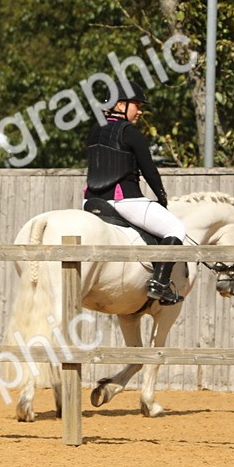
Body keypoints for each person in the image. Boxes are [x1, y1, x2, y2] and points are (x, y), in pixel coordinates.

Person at [84, 80, 185, 305]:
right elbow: (149, 170)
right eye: (137, 105)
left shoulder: (94, 131)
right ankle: (159, 284)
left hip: (91, 201)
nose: (140, 111)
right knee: (176, 228)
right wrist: (161, 197)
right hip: (124, 201)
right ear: (120, 105)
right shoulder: (129, 132)